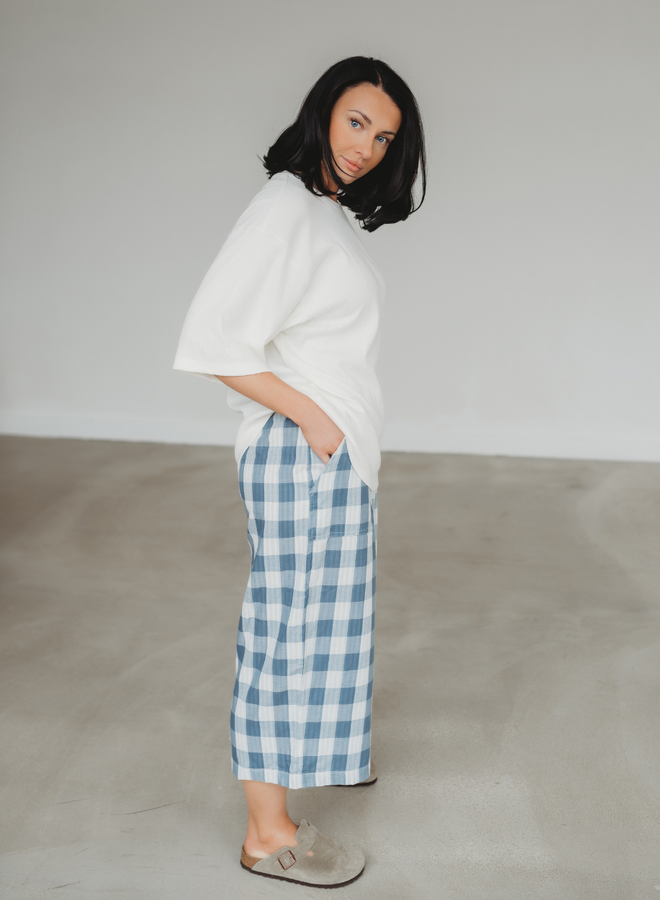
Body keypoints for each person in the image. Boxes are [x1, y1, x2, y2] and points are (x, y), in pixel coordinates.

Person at [173, 55, 426, 889]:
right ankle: (266, 834)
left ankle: (285, 799)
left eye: (384, 137)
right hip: (301, 454)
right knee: (285, 638)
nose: (367, 146)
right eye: (357, 122)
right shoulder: (284, 206)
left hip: (328, 456)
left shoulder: (323, 213)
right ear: (322, 112)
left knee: (316, 635)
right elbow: (214, 344)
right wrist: (316, 421)